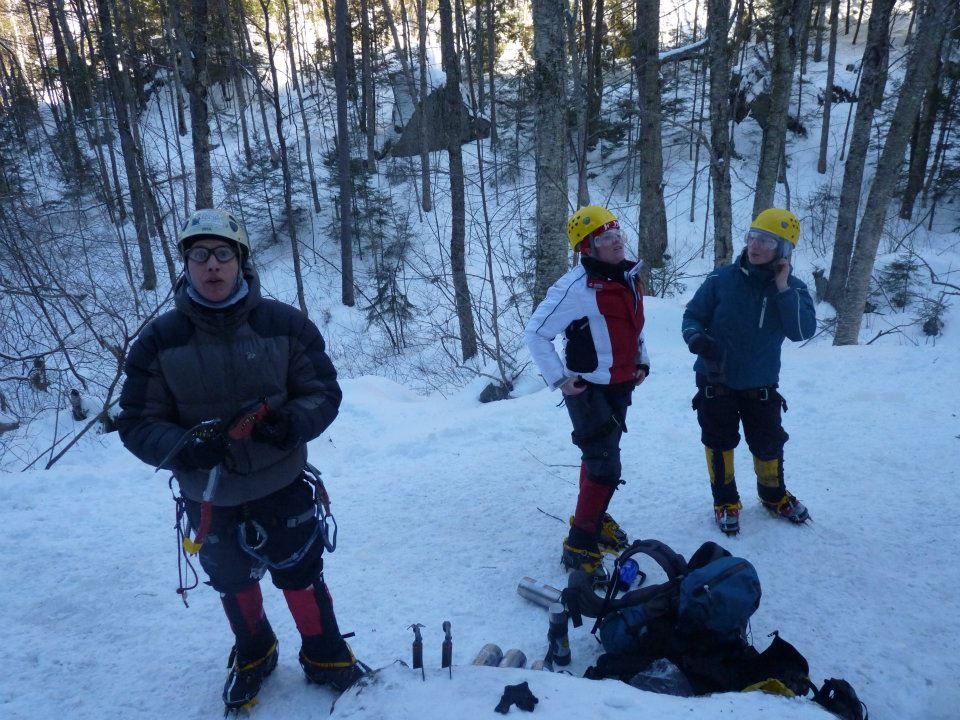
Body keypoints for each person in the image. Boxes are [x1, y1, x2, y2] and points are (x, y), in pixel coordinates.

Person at [117, 208, 364, 712]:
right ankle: (255, 652)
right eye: (200, 255)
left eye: (223, 254)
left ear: (241, 261)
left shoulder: (285, 324)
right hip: (210, 497)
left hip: (282, 483)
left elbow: (322, 392)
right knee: (231, 579)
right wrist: (184, 446)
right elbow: (137, 421)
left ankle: (325, 654)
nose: (212, 265)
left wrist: (291, 424)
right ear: (185, 264)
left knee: (300, 572)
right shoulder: (160, 341)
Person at [525, 206, 649, 581]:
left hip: (620, 385)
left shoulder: (629, 276)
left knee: (598, 457)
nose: (616, 241)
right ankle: (579, 543)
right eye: (605, 238)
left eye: (617, 233)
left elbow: (635, 326)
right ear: (587, 247)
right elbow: (536, 333)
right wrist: (561, 380)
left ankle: (592, 516)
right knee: (605, 466)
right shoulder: (574, 289)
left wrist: (641, 361)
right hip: (588, 390)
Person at [681, 208, 816, 535]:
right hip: (717, 378)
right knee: (718, 440)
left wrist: (782, 288)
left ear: (783, 250)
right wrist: (697, 338)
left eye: (767, 241)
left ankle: (773, 496)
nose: (755, 245)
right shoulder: (721, 279)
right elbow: (692, 317)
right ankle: (725, 501)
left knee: (768, 441)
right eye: (752, 237)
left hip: (761, 381)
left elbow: (801, 331)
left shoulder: (793, 289)